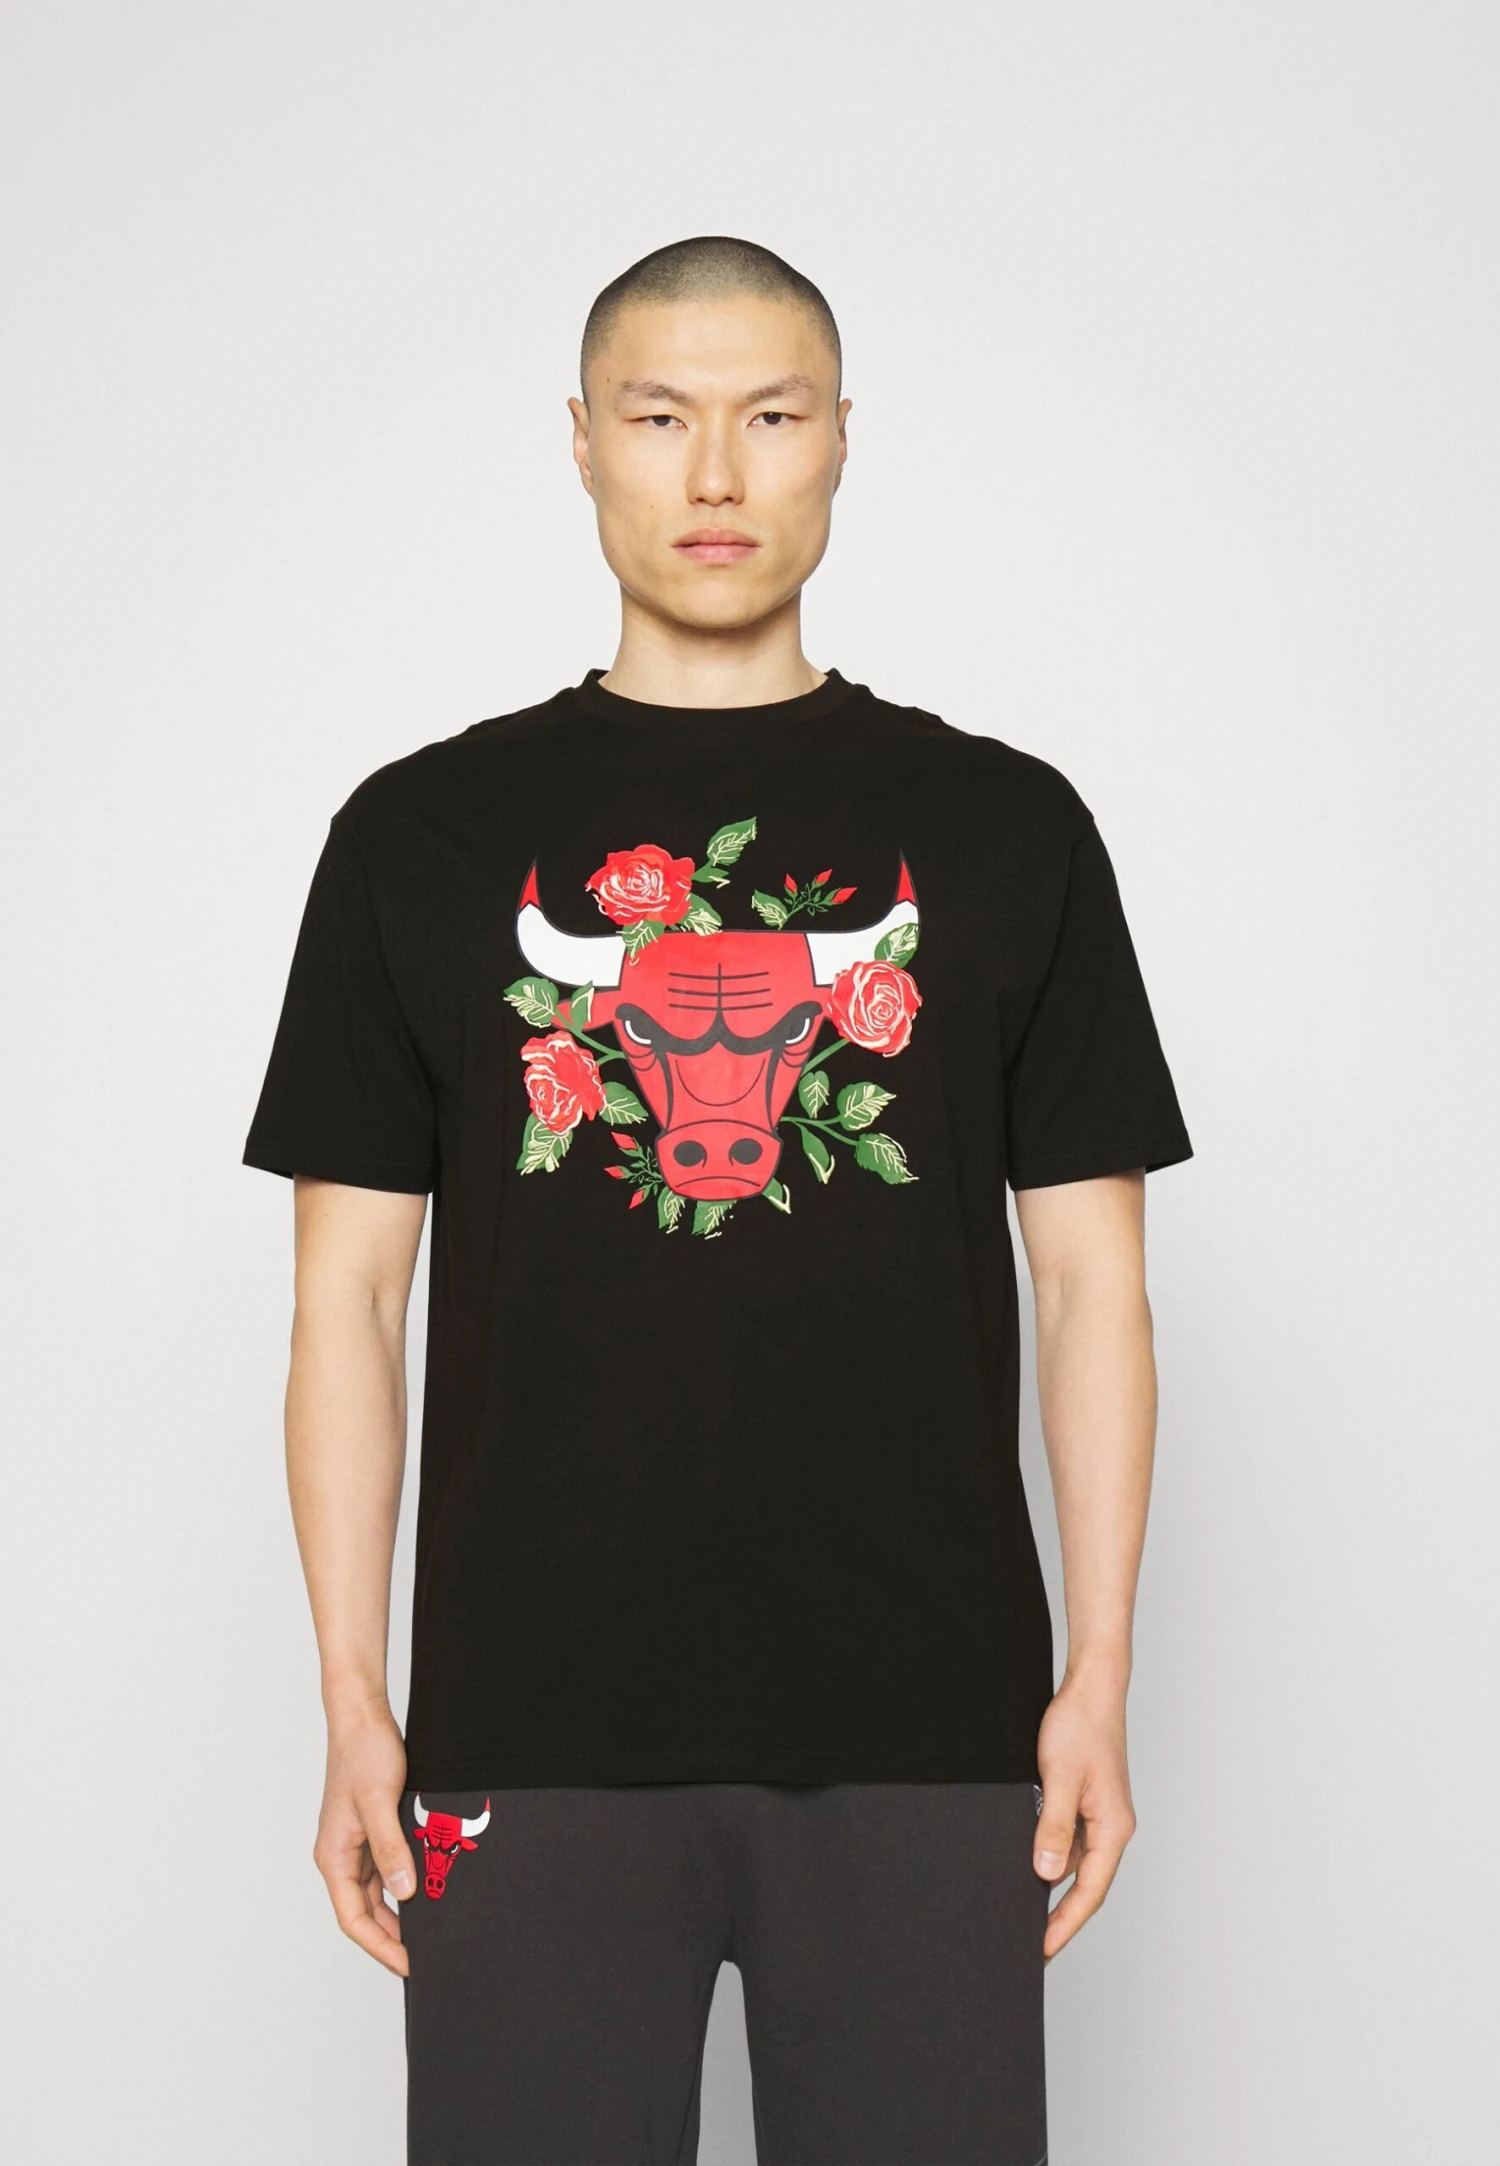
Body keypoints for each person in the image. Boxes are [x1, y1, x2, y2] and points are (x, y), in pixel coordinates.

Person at [244, 234, 1193, 2166]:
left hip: (937, 1727)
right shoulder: (416, 838)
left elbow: (1096, 1286)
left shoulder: (1011, 829)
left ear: (841, 439)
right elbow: (346, 1301)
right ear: (581, 440)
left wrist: (1096, 1676)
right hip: (525, 1728)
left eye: (769, 416)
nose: (714, 474)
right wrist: (354, 1698)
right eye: (659, 416)